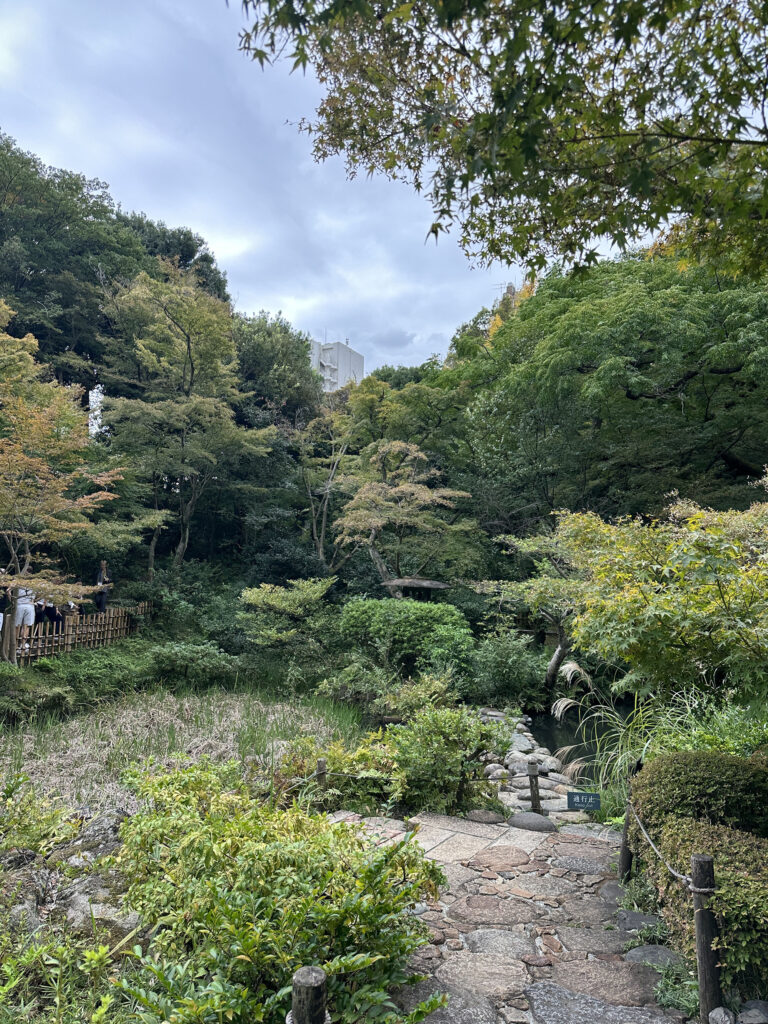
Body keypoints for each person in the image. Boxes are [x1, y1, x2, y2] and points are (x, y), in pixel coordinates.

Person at [15, 585, 35, 649]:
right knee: (26, 626)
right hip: (29, 605)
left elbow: (9, 591)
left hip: (19, 605)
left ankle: (15, 645)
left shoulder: (18, 582)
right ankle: (22, 645)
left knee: (17, 626)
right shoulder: (34, 583)